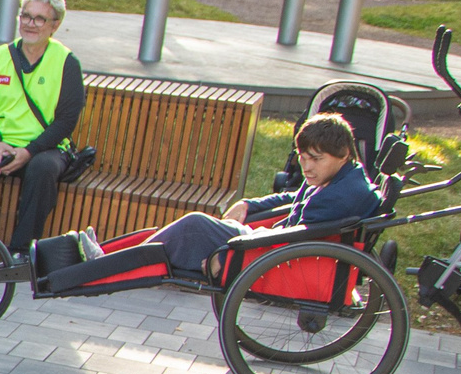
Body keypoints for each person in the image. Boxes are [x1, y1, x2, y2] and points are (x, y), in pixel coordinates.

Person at [142, 109, 380, 277]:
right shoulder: (345, 176)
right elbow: (293, 198)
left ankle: (122, 263)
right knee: (193, 228)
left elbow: (292, 243)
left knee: (194, 226)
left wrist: (227, 260)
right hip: (267, 240)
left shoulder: (337, 198)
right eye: (303, 158)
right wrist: (250, 205)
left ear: (344, 152)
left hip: (267, 252)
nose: (306, 167)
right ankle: (126, 257)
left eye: (315, 159)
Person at [0, 0, 83, 259]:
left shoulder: (67, 63)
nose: (30, 24)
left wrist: (30, 151)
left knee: (44, 168)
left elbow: (67, 120)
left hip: (44, 147)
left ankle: (21, 251)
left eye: (39, 19)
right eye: (26, 16)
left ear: (55, 25)